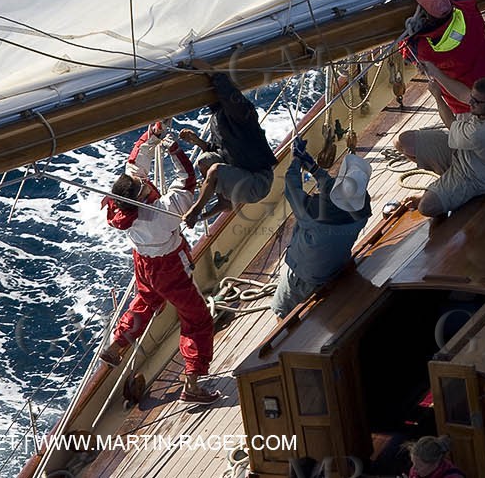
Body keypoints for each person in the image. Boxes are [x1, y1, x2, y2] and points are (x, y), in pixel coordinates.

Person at [98, 122, 219, 403]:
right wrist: (175, 151)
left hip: (144, 264)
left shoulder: (121, 206)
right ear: (138, 198)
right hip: (170, 268)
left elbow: (135, 162)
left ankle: (118, 345)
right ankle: (193, 382)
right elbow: (187, 181)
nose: (144, 183)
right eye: (142, 187)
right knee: (197, 320)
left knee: (146, 300)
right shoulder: (161, 214)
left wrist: (151, 135)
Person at [403, 0, 485, 181]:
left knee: (472, 152)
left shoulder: (424, 47)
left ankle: (480, 183)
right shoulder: (467, 12)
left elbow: (406, 52)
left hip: (466, 106)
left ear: (426, 17)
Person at [270, 141, 373, 319]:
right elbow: (335, 188)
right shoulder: (363, 209)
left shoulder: (314, 214)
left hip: (306, 277)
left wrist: (296, 161)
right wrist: (313, 167)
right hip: (335, 266)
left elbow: (291, 188)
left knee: (280, 311)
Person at [395, 71, 485, 217]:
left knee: (426, 207)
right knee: (402, 142)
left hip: (475, 178)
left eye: (476, 102)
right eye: (472, 98)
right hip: (465, 153)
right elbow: (464, 95)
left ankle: (452, 194)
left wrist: (438, 97)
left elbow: (451, 124)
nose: (470, 103)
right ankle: (445, 188)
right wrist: (434, 72)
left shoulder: (480, 134)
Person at [178, 59, 278, 228]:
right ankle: (224, 202)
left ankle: (195, 211)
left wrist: (207, 69)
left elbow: (228, 91)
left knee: (216, 171)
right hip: (241, 170)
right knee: (204, 161)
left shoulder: (241, 112)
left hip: (258, 182)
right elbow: (220, 151)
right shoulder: (217, 117)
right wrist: (197, 141)